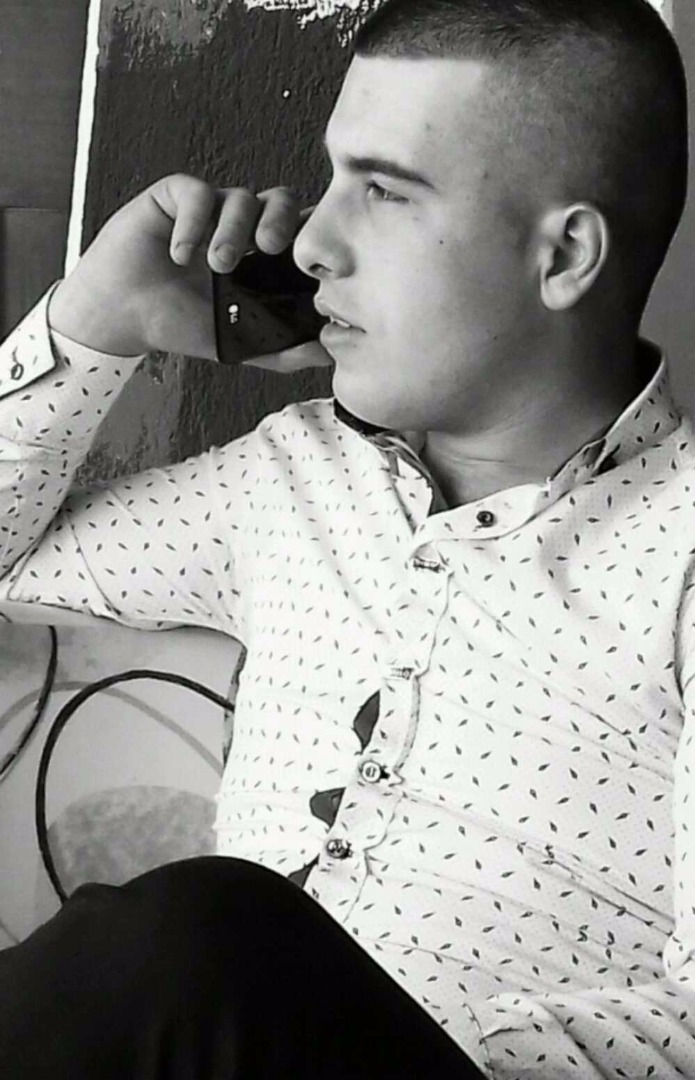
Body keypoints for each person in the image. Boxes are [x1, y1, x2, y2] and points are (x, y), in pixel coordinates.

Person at [0, 0, 694, 1075]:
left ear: (563, 255)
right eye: (330, 180)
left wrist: (338, 1027)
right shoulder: (290, 478)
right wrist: (95, 321)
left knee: (202, 938)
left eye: (382, 189)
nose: (314, 242)